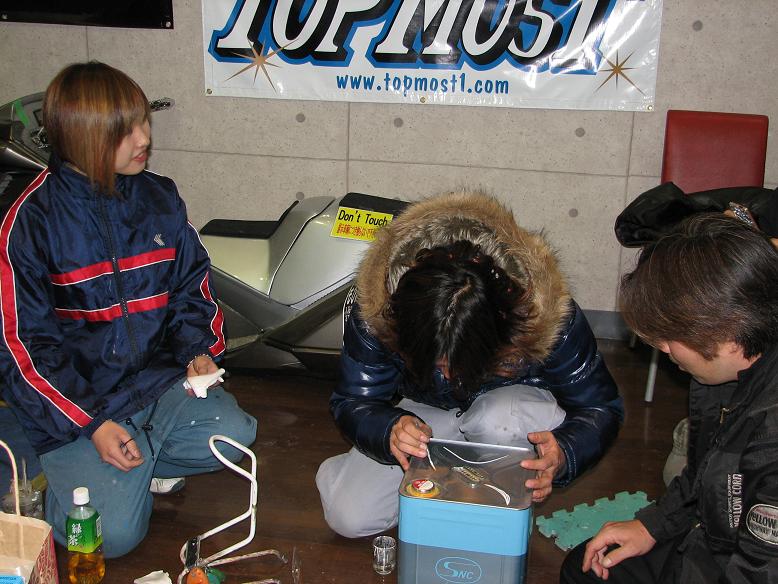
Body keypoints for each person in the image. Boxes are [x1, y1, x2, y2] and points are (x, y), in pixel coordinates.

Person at [0, 62, 257, 557]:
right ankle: (64, 484)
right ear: (83, 137)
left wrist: (197, 351)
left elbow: (192, 287)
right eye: (125, 131)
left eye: (143, 121)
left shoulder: (160, 197)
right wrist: (93, 425)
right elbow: (20, 352)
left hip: (155, 386)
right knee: (112, 538)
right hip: (79, 408)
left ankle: (135, 468)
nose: (144, 138)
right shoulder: (29, 224)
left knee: (234, 436)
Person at [316, 190, 624, 537]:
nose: (447, 374)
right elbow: (353, 401)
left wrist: (565, 451)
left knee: (495, 421)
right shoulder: (379, 311)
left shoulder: (544, 313)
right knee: (349, 516)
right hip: (428, 415)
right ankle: (424, 477)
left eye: (463, 361)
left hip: (511, 412)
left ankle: (492, 501)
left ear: (504, 328)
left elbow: (600, 408)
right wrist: (389, 428)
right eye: (435, 361)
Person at [561, 213, 778, 583]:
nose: (662, 348)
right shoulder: (721, 376)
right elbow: (705, 474)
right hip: (711, 542)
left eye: (669, 336)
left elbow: (759, 570)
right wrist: (653, 525)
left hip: (739, 567)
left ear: (727, 331)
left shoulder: (771, 435)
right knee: (585, 567)